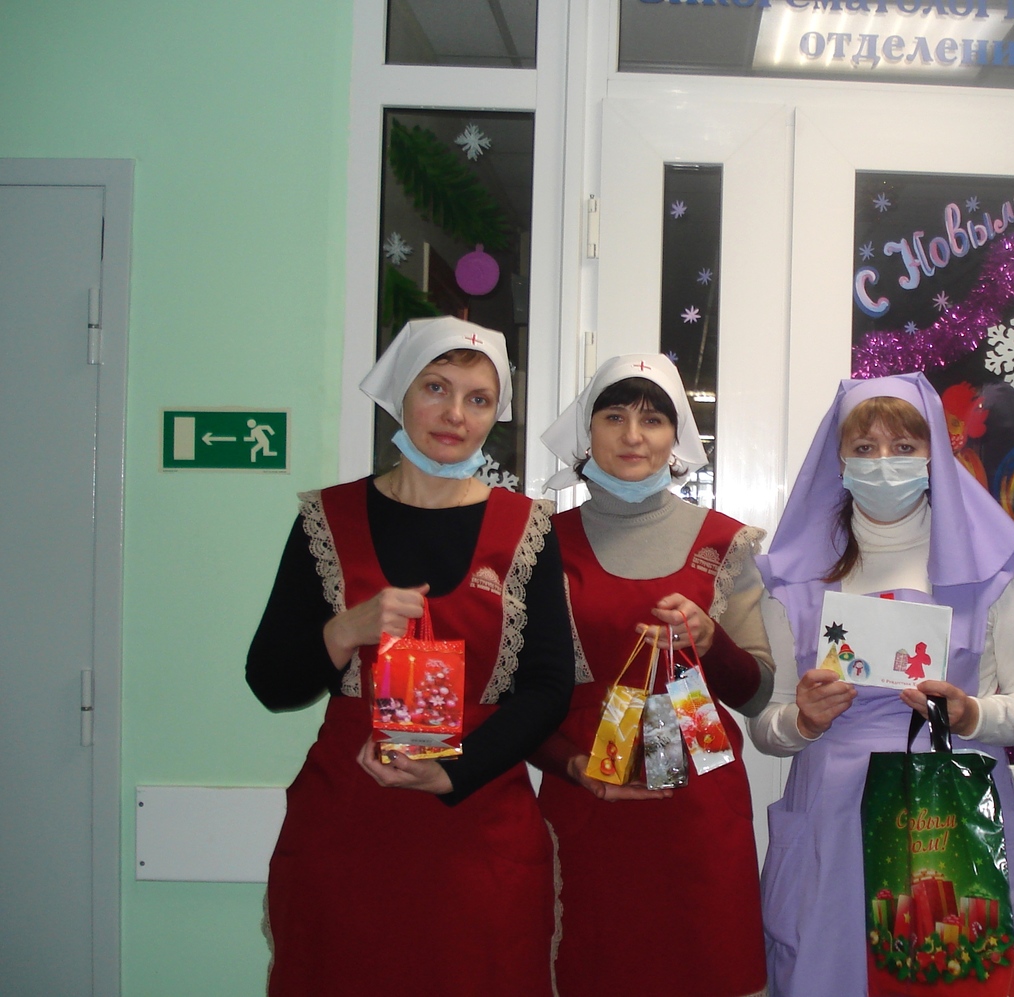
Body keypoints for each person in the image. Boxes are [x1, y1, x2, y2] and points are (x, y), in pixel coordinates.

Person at [246, 316, 574, 997]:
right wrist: (346, 629)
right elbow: (271, 682)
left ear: (495, 415)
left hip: (479, 830)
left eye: (478, 398)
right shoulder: (327, 520)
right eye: (436, 387)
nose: (455, 414)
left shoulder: (527, 529)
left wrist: (453, 772)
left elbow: (548, 687)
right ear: (401, 393)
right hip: (349, 829)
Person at [750, 373, 1014, 997]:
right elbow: (767, 730)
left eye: (904, 447)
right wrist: (803, 720)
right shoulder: (794, 579)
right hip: (833, 826)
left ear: (935, 454)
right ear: (840, 460)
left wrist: (972, 715)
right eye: (866, 447)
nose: (885, 463)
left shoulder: (993, 571)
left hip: (951, 818)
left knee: (950, 978)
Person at [532, 354, 775, 997]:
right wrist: (569, 765)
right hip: (588, 797)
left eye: (653, 420)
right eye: (614, 417)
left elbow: (758, 693)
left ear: (677, 437)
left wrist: (710, 642)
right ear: (587, 432)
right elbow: (519, 698)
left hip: (699, 811)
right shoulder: (539, 544)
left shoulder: (725, 544)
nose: (633, 436)